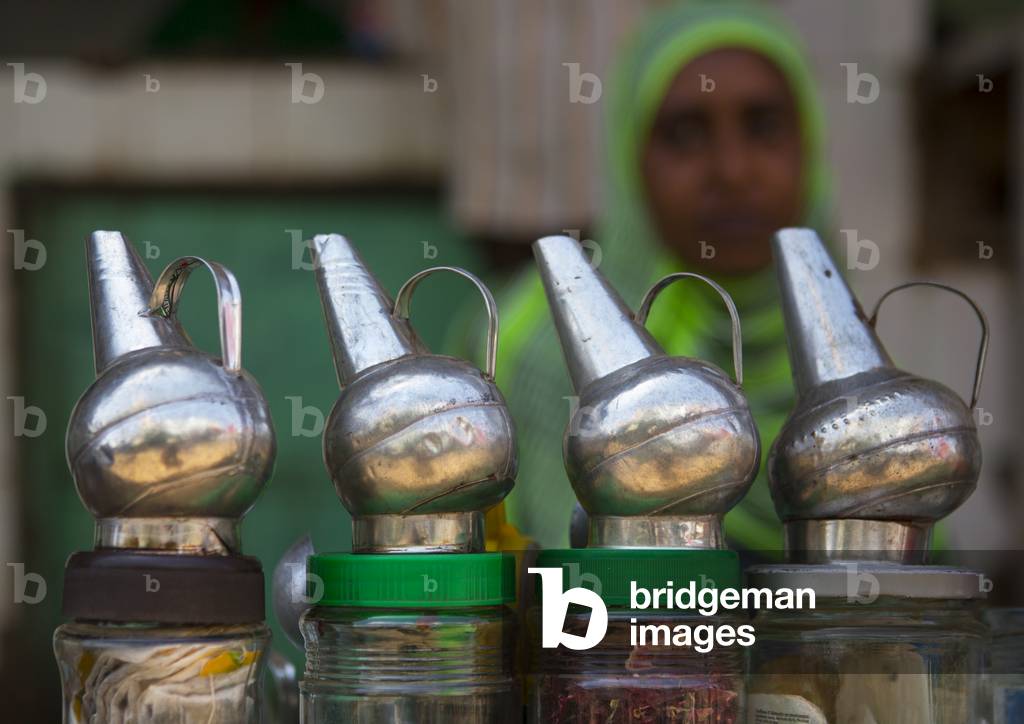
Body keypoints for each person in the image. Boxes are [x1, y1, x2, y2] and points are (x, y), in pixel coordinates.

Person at [483, 1, 831, 553]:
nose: (733, 171)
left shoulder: (855, 356)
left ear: (810, 145)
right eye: (685, 135)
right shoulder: (544, 352)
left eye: (763, 128)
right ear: (630, 158)